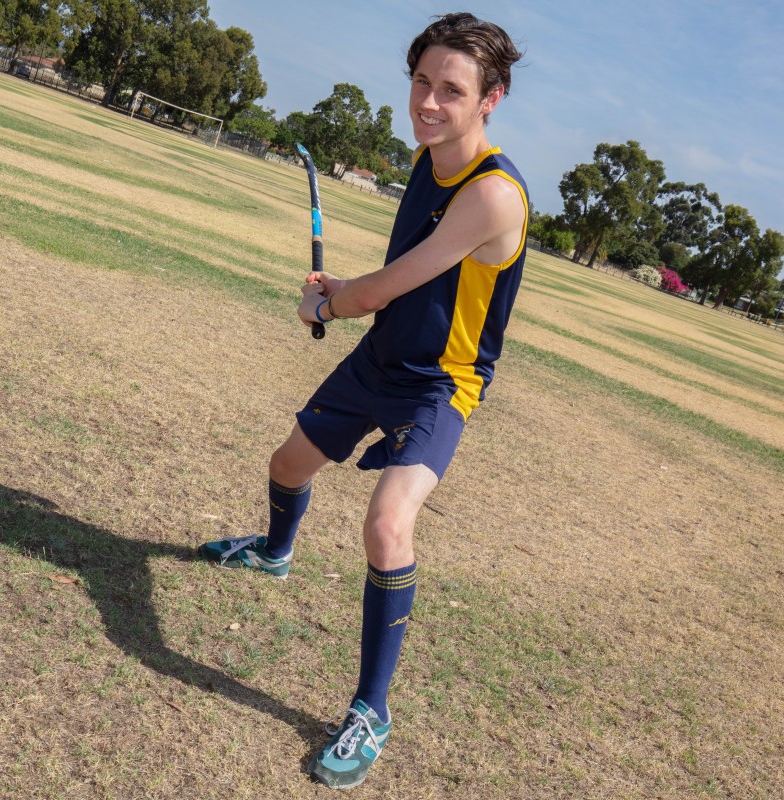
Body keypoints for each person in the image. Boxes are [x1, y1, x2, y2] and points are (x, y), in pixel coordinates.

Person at [200, 12, 527, 790]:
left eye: (452, 90)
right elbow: (402, 282)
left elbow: (396, 280)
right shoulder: (428, 157)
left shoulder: (494, 197)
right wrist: (346, 295)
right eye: (422, 82)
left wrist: (330, 303)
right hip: (381, 356)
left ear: (492, 99)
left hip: (439, 385)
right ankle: (275, 551)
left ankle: (371, 711)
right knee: (286, 464)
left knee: (387, 523)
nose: (429, 102)